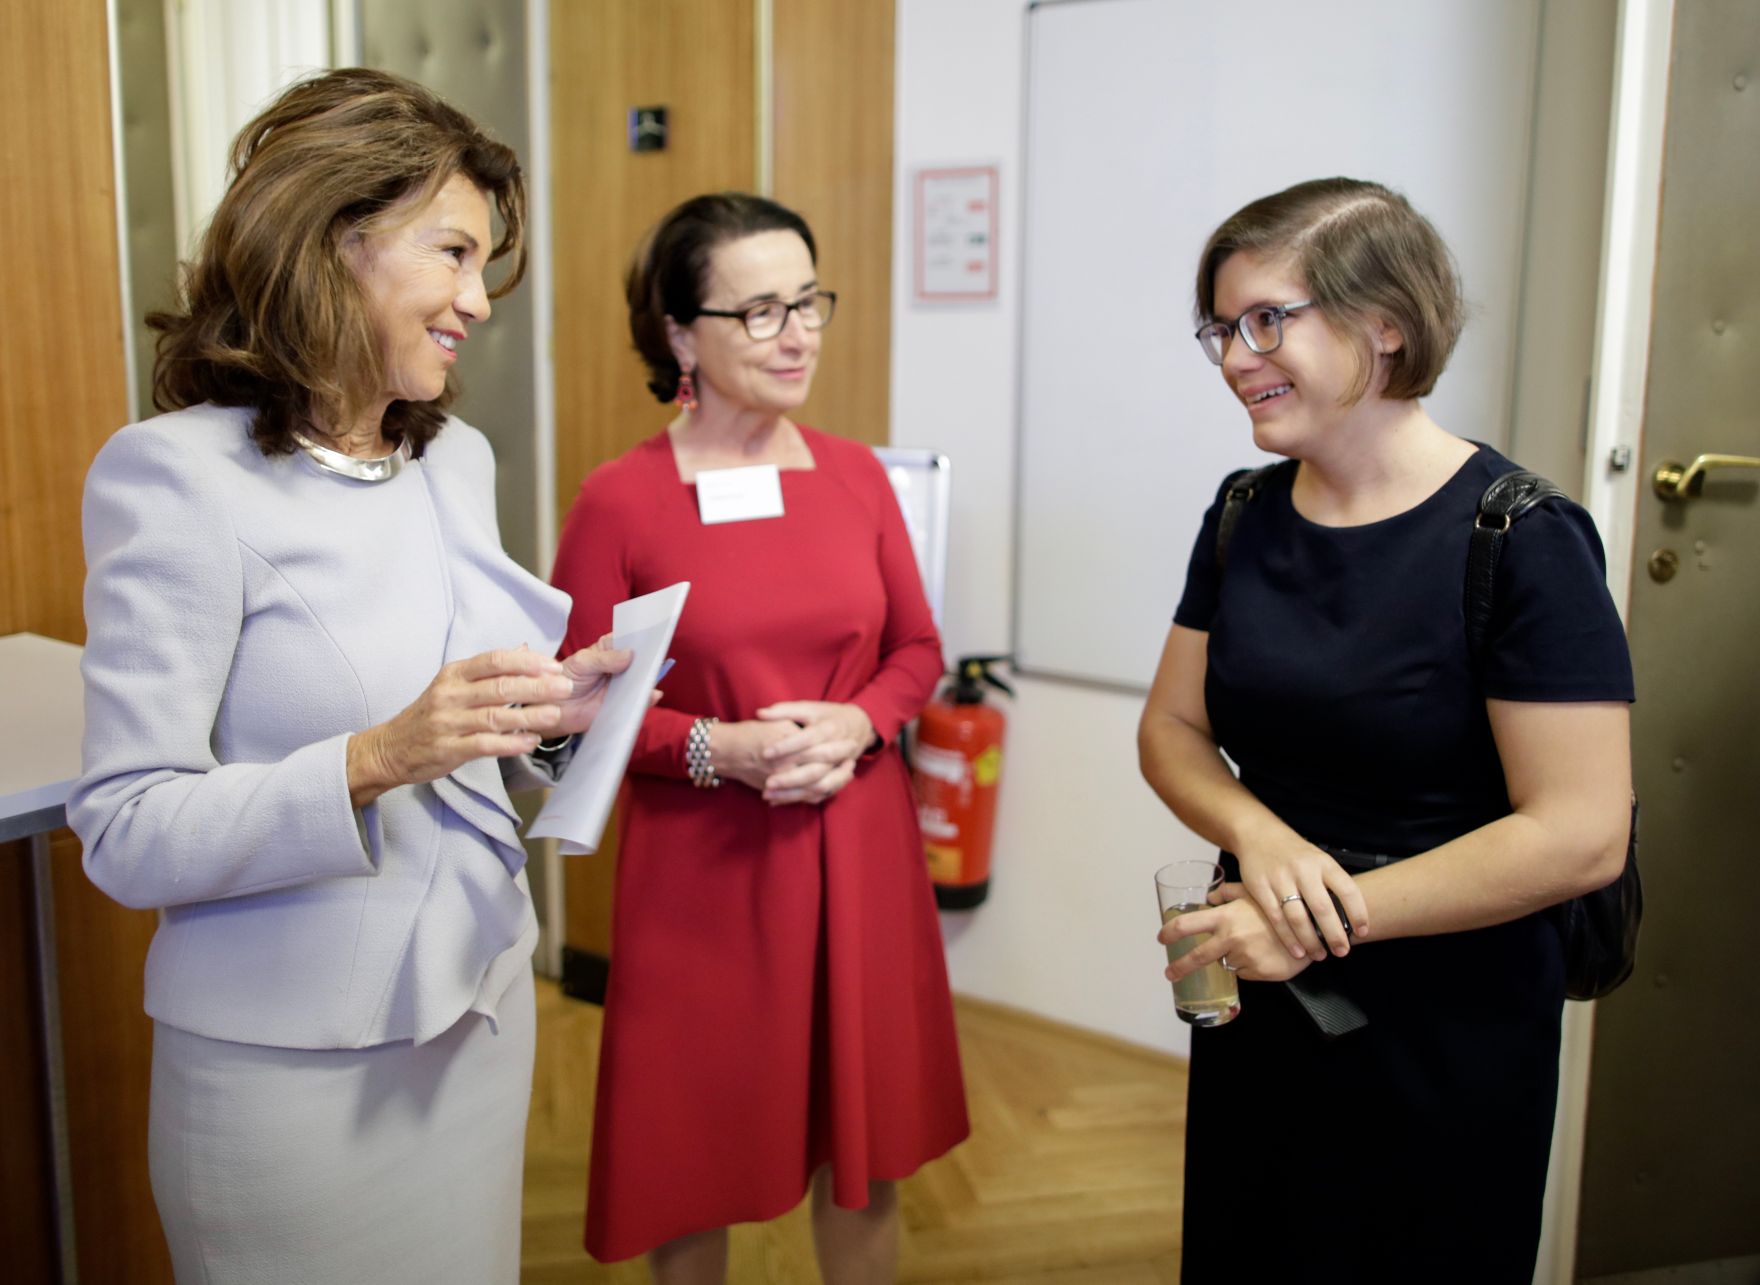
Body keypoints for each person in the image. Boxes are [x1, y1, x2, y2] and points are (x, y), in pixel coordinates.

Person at [70, 69, 631, 1283]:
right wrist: (379, 755)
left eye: (486, 267)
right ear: (335, 237)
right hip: (289, 1076)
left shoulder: (457, 460)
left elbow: (470, 745)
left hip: (480, 1021)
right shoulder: (172, 478)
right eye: (453, 254)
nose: (478, 302)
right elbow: (122, 827)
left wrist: (548, 722)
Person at [1137, 178, 1634, 1284]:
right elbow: (1169, 730)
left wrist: (1316, 922)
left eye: (1267, 319)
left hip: (1447, 1019)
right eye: (1220, 327)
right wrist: (1261, 844)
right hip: (1263, 979)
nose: (1233, 356)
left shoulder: (1521, 537)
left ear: (1384, 324)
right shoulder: (1241, 516)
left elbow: (1581, 833)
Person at [549, 192, 968, 1282]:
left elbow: (916, 650)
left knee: (863, 1157)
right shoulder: (619, 502)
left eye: (808, 300)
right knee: (691, 1151)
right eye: (761, 310)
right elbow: (574, 703)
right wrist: (713, 749)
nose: (798, 333)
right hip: (704, 873)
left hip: (859, 847)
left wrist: (861, 723)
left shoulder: (854, 474)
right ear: (681, 333)